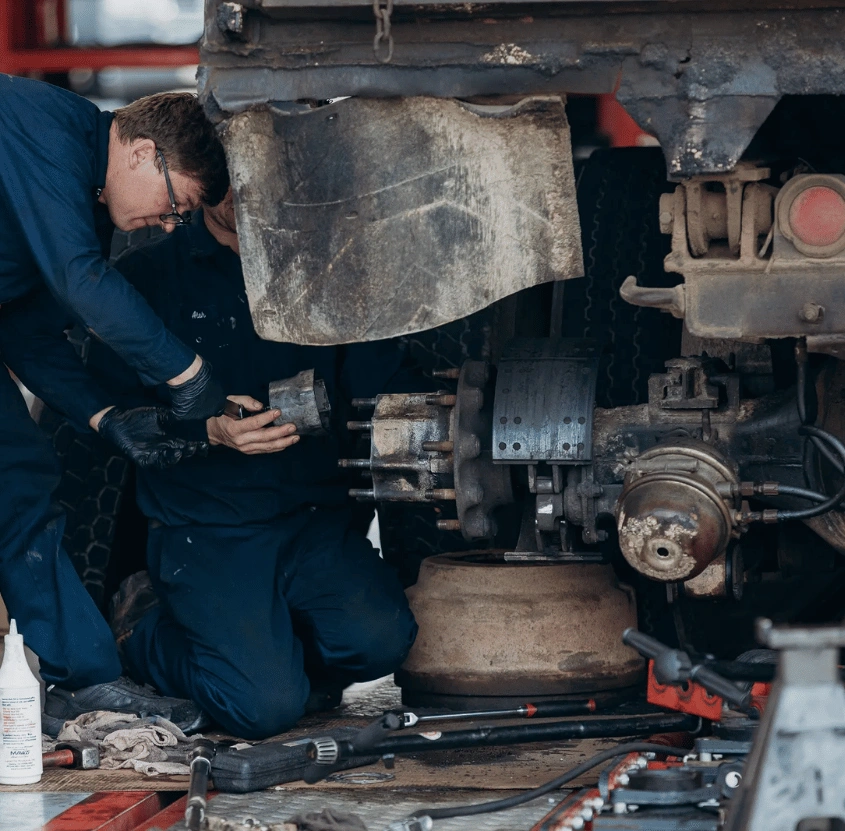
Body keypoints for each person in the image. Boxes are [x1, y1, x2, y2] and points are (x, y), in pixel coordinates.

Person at [84, 190, 419, 739]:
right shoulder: (146, 277)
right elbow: (111, 415)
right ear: (199, 178)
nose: (243, 191)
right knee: (262, 710)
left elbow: (382, 384)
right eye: (226, 177)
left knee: (381, 642)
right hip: (207, 528)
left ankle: (268, 661)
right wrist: (206, 429)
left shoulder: (331, 264)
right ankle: (142, 629)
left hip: (313, 521)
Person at [0, 75, 231, 727]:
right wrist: (189, 375)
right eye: (175, 204)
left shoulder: (81, 199)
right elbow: (81, 281)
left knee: (21, 481)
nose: (168, 224)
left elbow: (25, 331)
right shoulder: (40, 127)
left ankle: (86, 680)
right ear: (141, 152)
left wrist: (106, 417)